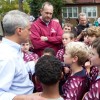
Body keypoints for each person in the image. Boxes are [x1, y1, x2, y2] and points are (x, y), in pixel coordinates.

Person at [0, 10, 47, 100]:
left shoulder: (13, 50)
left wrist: (34, 63)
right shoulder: (6, 57)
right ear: (19, 30)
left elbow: (15, 71)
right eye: (29, 29)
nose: (30, 33)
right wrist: (27, 98)